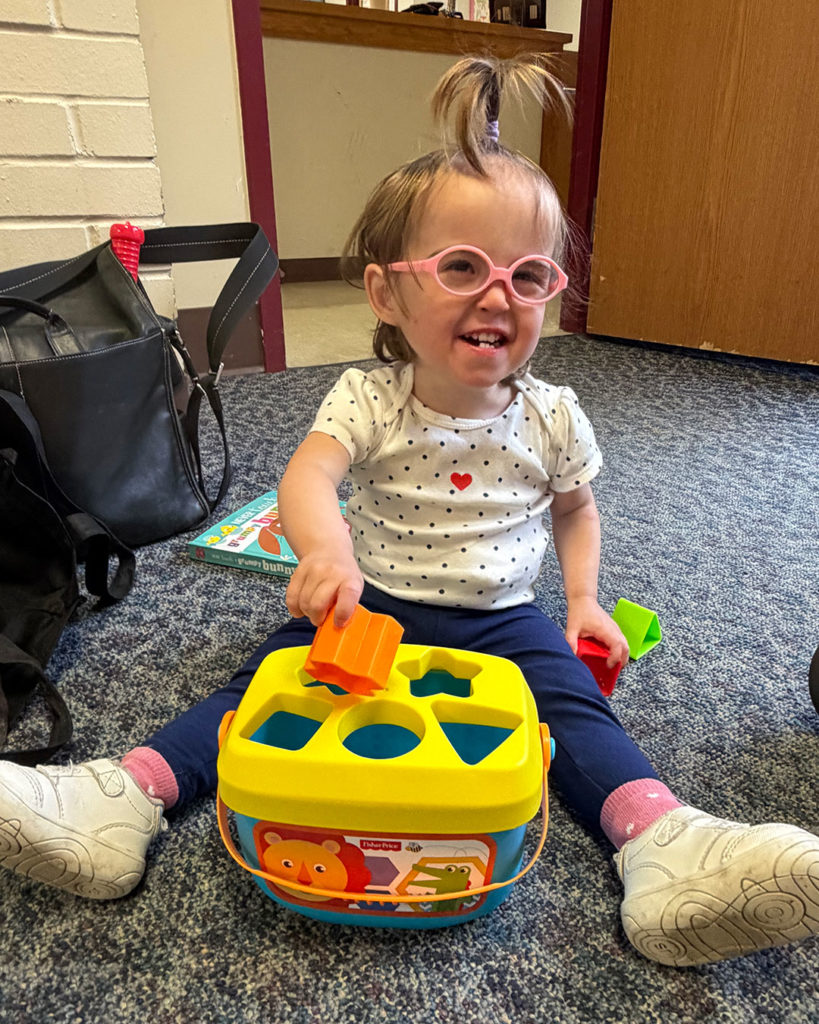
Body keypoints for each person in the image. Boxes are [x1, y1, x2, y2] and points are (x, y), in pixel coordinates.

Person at [1, 56, 817, 968]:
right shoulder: (367, 396)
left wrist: (583, 602)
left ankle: (669, 849)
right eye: (462, 266)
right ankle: (123, 799)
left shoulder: (553, 414)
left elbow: (576, 511)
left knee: (578, 715)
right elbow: (306, 479)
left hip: (505, 619)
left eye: (529, 272)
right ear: (388, 293)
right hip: (374, 604)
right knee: (259, 693)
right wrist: (328, 553)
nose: (497, 293)